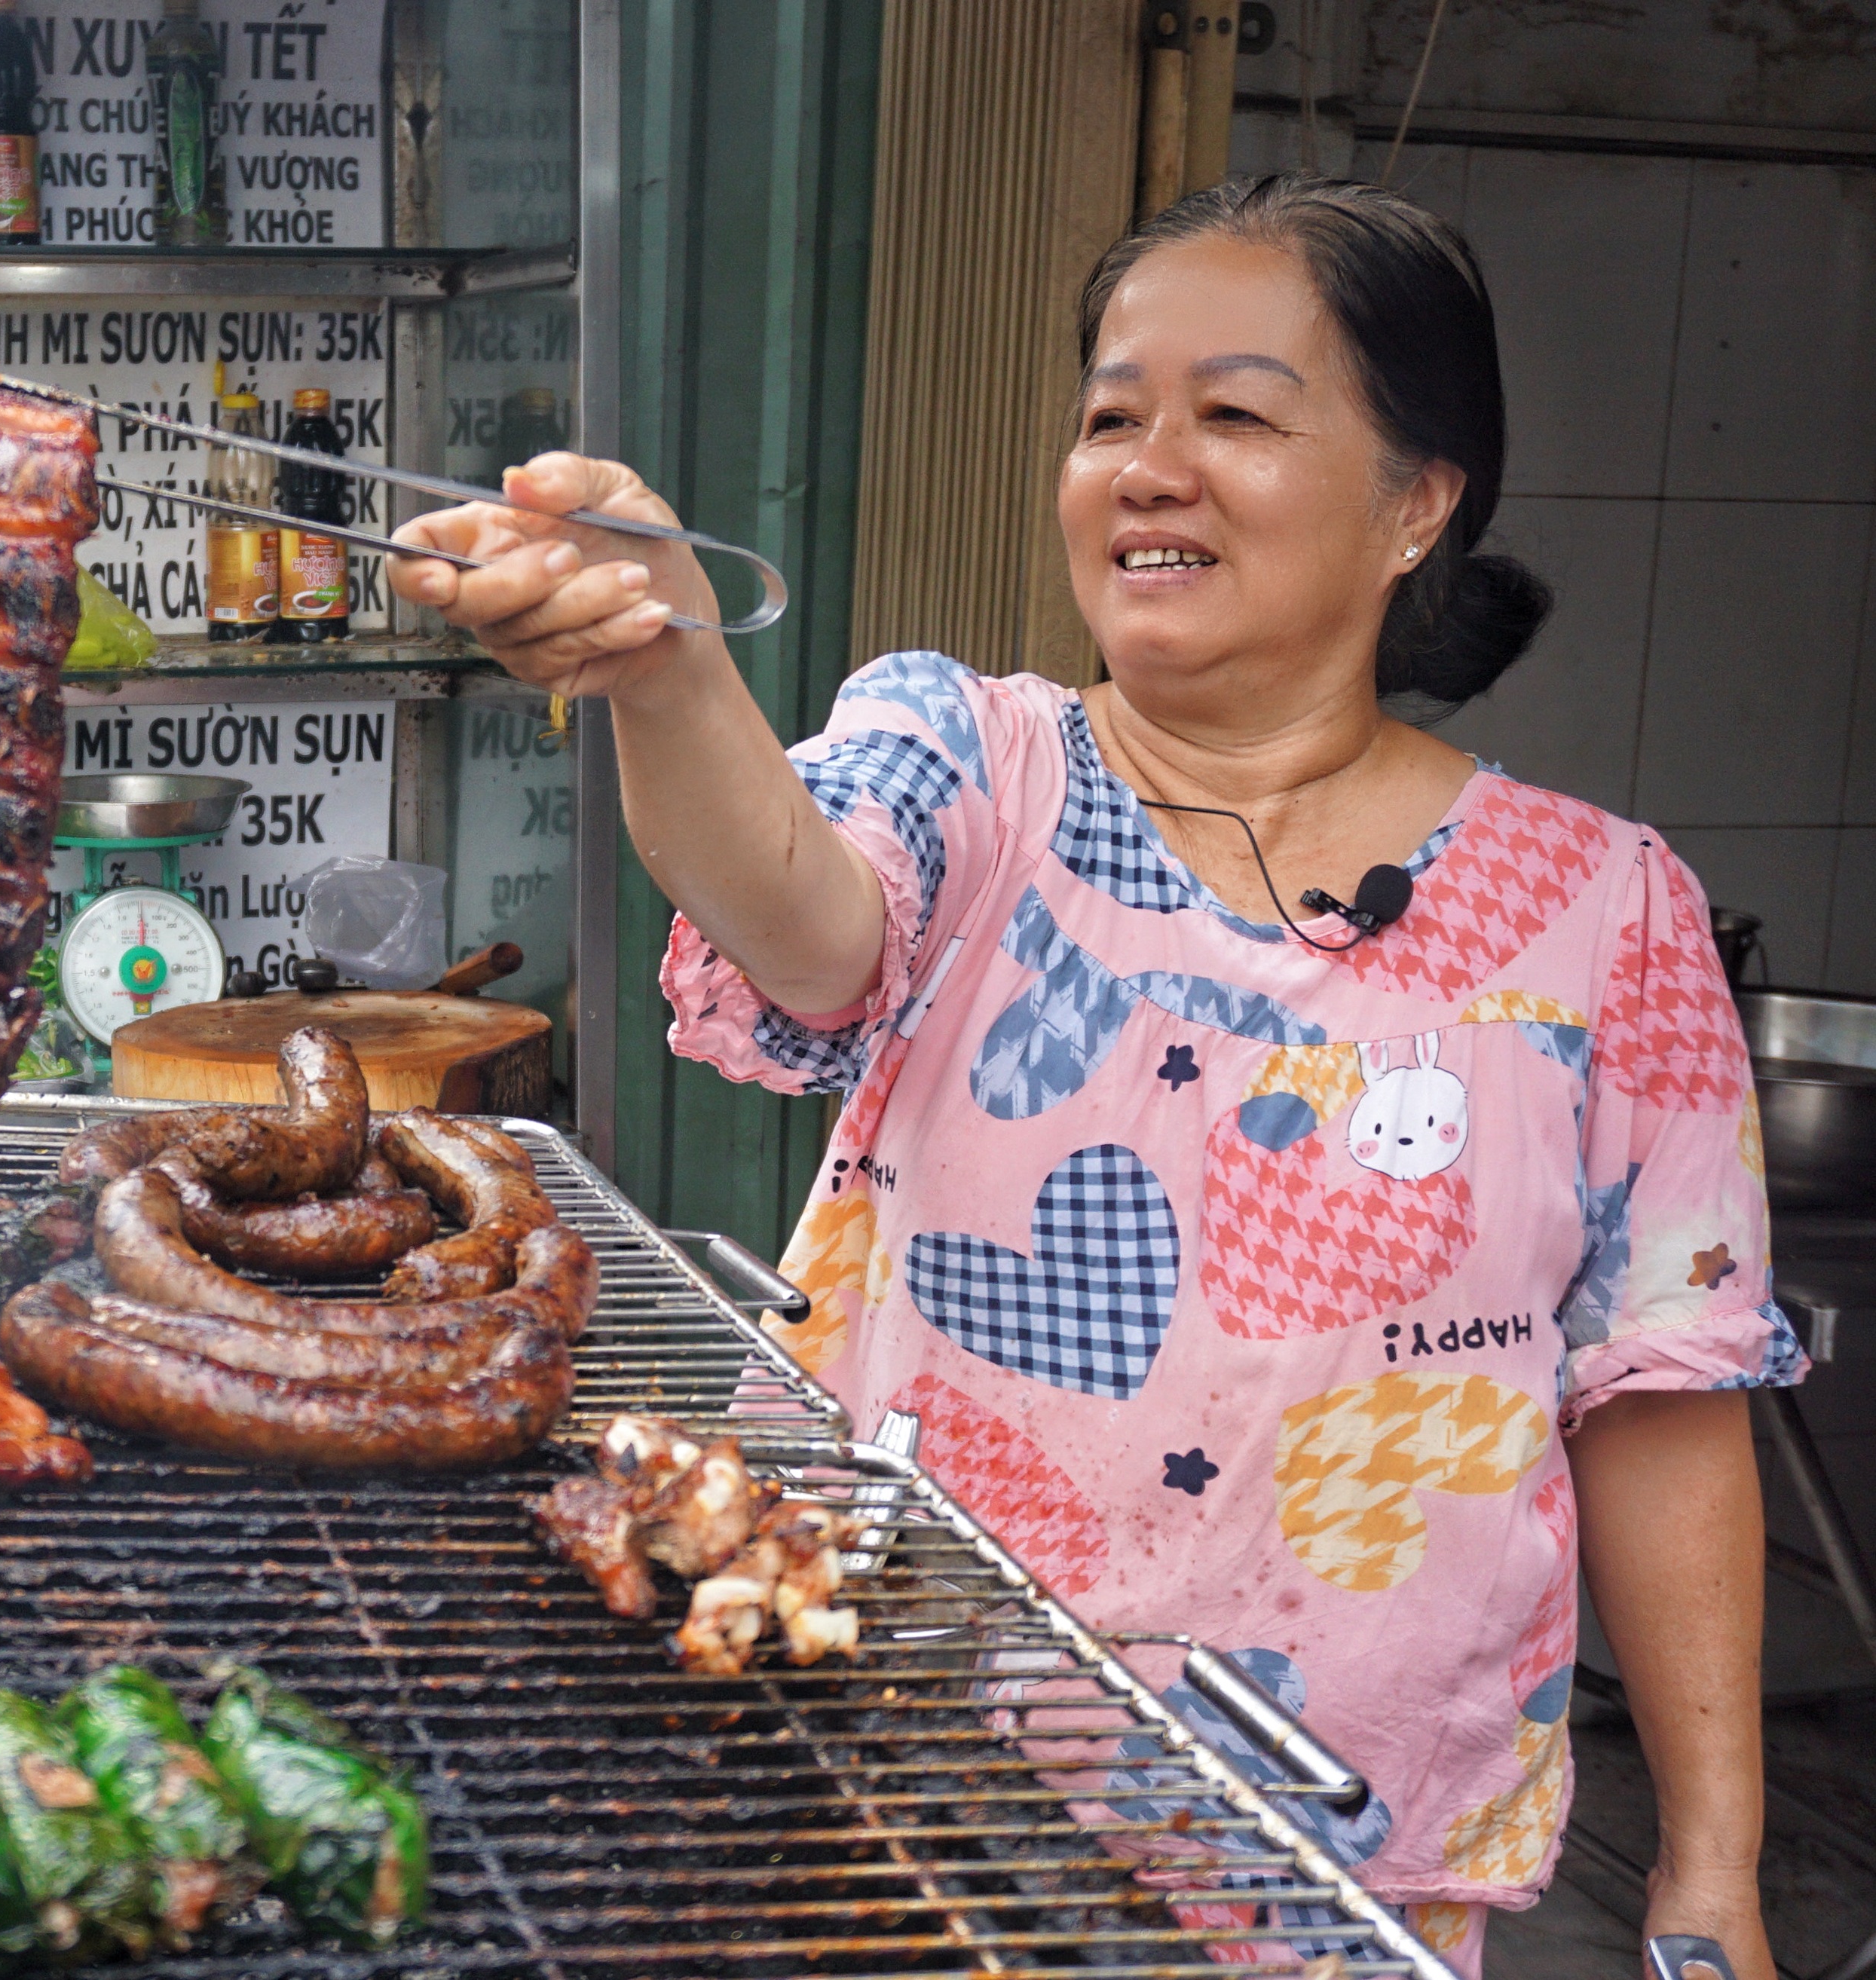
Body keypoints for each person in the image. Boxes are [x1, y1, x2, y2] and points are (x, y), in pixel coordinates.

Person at [392, 176, 1795, 1978]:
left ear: (1416, 502)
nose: (1149, 463)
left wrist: (1714, 1872)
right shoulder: (970, 764)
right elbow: (807, 923)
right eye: (1113, 415)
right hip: (879, 1770)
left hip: (1339, 1857)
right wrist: (669, 678)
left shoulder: (1608, 912)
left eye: (1234, 415)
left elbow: (1668, 1394)